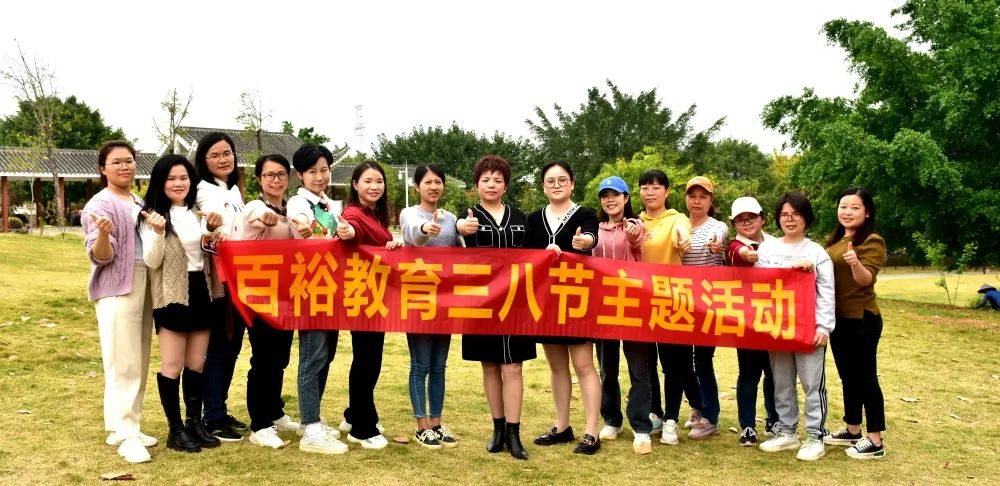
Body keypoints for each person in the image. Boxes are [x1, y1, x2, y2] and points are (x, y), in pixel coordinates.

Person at [139, 154, 222, 454]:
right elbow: (152, 261)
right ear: (161, 183)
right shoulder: (152, 216)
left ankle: (194, 423)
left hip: (201, 290)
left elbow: (208, 252)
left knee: (196, 363)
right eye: (171, 178)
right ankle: (175, 430)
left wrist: (213, 231)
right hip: (172, 293)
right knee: (172, 365)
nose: (178, 183)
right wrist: (158, 233)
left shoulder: (198, 213)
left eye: (184, 177)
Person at [456, 154, 535, 460]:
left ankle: (514, 433)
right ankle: (497, 429)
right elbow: (451, 238)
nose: (491, 185)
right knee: (489, 364)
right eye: (485, 180)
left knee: (513, 366)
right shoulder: (467, 217)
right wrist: (462, 228)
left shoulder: (520, 218)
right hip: (482, 303)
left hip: (516, 303)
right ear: (476, 184)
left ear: (506, 185)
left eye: (498, 180)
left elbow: (535, 254)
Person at [82, 140, 156, 464]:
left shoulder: (138, 200)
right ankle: (127, 434)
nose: (124, 166)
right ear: (103, 169)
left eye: (129, 160)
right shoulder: (99, 204)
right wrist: (102, 234)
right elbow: (101, 256)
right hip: (117, 288)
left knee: (137, 358)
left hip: (144, 281)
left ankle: (122, 425)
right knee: (122, 361)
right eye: (116, 162)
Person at [526, 161, 602, 455]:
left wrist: (584, 242)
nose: (556, 185)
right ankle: (562, 426)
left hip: (577, 298)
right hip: (547, 301)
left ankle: (591, 431)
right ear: (543, 187)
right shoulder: (534, 219)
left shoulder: (585, 214)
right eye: (550, 181)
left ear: (572, 184)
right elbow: (524, 255)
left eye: (562, 180)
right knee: (557, 366)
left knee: (584, 365)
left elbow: (591, 237)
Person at [756, 192, 835, 462]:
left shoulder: (817, 252)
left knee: (812, 384)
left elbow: (826, 292)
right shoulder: (767, 249)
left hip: (808, 328)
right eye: (784, 215)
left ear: (806, 218)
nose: (790, 220)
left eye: (796, 214)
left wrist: (823, 327)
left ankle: (815, 435)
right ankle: (787, 432)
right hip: (777, 327)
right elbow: (760, 280)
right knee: (782, 382)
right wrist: (793, 267)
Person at [286, 144, 349, 455]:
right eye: (312, 172)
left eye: (324, 170)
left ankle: (312, 418)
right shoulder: (299, 202)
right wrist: (302, 226)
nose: (320, 176)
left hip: (332, 288)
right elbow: (300, 222)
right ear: (300, 175)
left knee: (326, 355)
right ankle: (311, 428)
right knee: (312, 356)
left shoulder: (329, 204)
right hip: (310, 288)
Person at [337, 160, 401, 450]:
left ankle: (355, 414)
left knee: (368, 358)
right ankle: (362, 428)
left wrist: (392, 246)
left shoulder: (375, 214)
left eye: (379, 181)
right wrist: (347, 231)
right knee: (367, 360)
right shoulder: (354, 213)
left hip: (375, 295)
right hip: (362, 295)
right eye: (368, 181)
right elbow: (350, 230)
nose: (374, 186)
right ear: (355, 185)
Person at [399, 164, 462, 449]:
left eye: (438, 182)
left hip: (445, 302)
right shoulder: (409, 213)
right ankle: (421, 425)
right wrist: (427, 229)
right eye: (427, 182)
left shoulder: (451, 219)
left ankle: (436, 422)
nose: (433, 187)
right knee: (420, 364)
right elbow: (414, 234)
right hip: (418, 298)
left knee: (439, 365)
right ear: (417, 187)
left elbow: (463, 254)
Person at [591, 176, 655, 455]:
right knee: (607, 368)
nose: (610, 200)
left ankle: (641, 426)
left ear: (626, 198)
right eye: (605, 196)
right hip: (603, 306)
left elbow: (636, 238)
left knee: (639, 368)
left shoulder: (635, 224)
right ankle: (611, 419)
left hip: (633, 306)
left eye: (615, 195)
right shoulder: (594, 229)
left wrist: (630, 230)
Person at [241, 154, 301, 449]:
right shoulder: (256, 206)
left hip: (286, 293)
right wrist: (263, 217)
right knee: (263, 357)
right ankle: (260, 423)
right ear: (259, 179)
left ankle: (274, 411)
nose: (276, 180)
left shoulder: (291, 209)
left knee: (280, 356)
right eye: (269, 175)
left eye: (281, 175)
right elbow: (255, 216)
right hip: (259, 293)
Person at [823, 187, 888, 459]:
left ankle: (875, 440)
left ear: (867, 212)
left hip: (863, 319)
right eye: (843, 206)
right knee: (848, 377)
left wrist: (855, 263)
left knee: (866, 378)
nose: (847, 212)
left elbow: (865, 279)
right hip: (838, 319)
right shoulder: (836, 240)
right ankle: (852, 429)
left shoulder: (872, 240)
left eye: (855, 207)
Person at [635, 169, 699, 446]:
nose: (650, 192)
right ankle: (655, 413)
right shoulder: (635, 222)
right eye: (645, 187)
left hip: (673, 300)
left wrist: (684, 239)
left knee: (674, 364)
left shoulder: (677, 218)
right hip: (642, 302)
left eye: (656, 187)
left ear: (667, 191)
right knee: (647, 362)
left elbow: (683, 234)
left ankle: (672, 418)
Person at [193, 132, 248, 442]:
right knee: (219, 349)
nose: (223, 159)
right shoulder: (202, 190)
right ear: (204, 160)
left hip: (240, 277)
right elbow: (204, 229)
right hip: (218, 279)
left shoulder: (234, 190)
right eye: (214, 155)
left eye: (227, 153)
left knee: (232, 347)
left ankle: (219, 408)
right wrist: (210, 229)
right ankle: (212, 417)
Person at [725, 196, 779, 446]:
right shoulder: (734, 246)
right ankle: (747, 425)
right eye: (740, 220)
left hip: (774, 318)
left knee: (773, 373)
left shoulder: (777, 244)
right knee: (748, 373)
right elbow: (740, 254)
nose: (746, 223)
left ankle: (774, 420)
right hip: (746, 320)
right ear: (734, 224)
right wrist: (750, 254)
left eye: (751, 218)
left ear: (762, 219)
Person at [680, 176, 728, 441]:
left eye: (703, 197)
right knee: (681, 361)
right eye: (692, 196)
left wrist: (715, 248)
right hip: (680, 301)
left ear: (711, 201)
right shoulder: (678, 224)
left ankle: (710, 417)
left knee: (703, 360)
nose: (697, 201)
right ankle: (698, 405)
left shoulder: (717, 227)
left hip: (708, 303)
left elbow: (717, 243)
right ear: (685, 198)